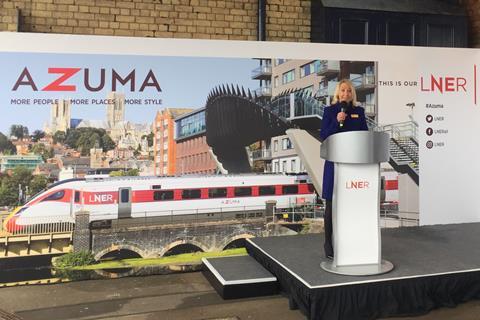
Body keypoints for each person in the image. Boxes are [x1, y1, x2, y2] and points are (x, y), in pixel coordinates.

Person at [320, 79, 368, 259]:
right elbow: (324, 135)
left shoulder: (359, 112)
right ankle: (328, 244)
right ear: (337, 93)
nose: (346, 93)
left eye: (349, 91)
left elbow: (364, 135)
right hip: (334, 165)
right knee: (331, 208)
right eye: (343, 90)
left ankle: (350, 242)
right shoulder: (330, 111)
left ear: (352, 94)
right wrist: (337, 121)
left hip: (353, 166)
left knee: (352, 207)